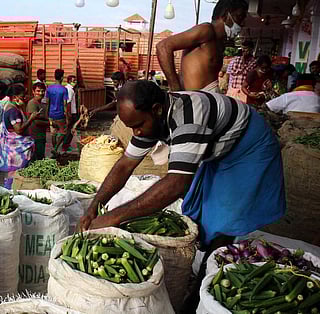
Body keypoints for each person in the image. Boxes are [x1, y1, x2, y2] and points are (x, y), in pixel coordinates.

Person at [78, 80, 286, 309]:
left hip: (248, 147)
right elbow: (125, 166)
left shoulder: (188, 120)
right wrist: (94, 206)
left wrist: (114, 217)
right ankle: (201, 271)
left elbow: (176, 183)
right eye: (131, 127)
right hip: (216, 146)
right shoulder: (150, 120)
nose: (136, 132)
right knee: (201, 210)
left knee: (228, 218)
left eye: (138, 125)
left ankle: (201, 293)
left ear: (157, 109)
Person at [156, 0, 248, 92]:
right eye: (239, 17)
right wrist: (175, 88)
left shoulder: (220, 42)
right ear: (225, 15)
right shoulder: (206, 30)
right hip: (194, 100)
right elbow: (163, 46)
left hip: (206, 99)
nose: (242, 23)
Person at [0, 85, 40, 189]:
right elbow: (19, 129)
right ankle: (11, 193)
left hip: (10, 149)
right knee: (14, 175)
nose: (25, 98)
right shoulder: (13, 111)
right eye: (22, 96)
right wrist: (31, 119)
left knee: (11, 175)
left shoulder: (12, 107)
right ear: (15, 97)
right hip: (15, 150)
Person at [46, 69, 69, 157]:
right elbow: (65, 105)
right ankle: (55, 148)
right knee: (63, 132)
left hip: (51, 114)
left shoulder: (49, 88)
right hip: (60, 115)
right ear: (62, 77)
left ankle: (54, 151)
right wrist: (67, 117)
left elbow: (47, 102)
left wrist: (47, 114)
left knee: (53, 133)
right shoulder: (64, 89)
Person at [26, 82, 49, 161]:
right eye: (38, 91)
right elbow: (36, 121)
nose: (40, 93)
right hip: (34, 136)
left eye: (42, 91)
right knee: (35, 159)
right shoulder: (32, 103)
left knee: (40, 157)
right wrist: (51, 123)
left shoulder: (43, 104)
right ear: (33, 91)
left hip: (41, 135)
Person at [63, 75, 78, 153]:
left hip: (71, 112)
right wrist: (68, 115)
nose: (75, 82)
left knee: (69, 130)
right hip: (71, 112)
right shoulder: (70, 90)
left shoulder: (68, 89)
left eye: (75, 81)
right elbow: (67, 103)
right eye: (73, 81)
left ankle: (66, 145)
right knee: (70, 130)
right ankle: (65, 146)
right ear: (69, 81)